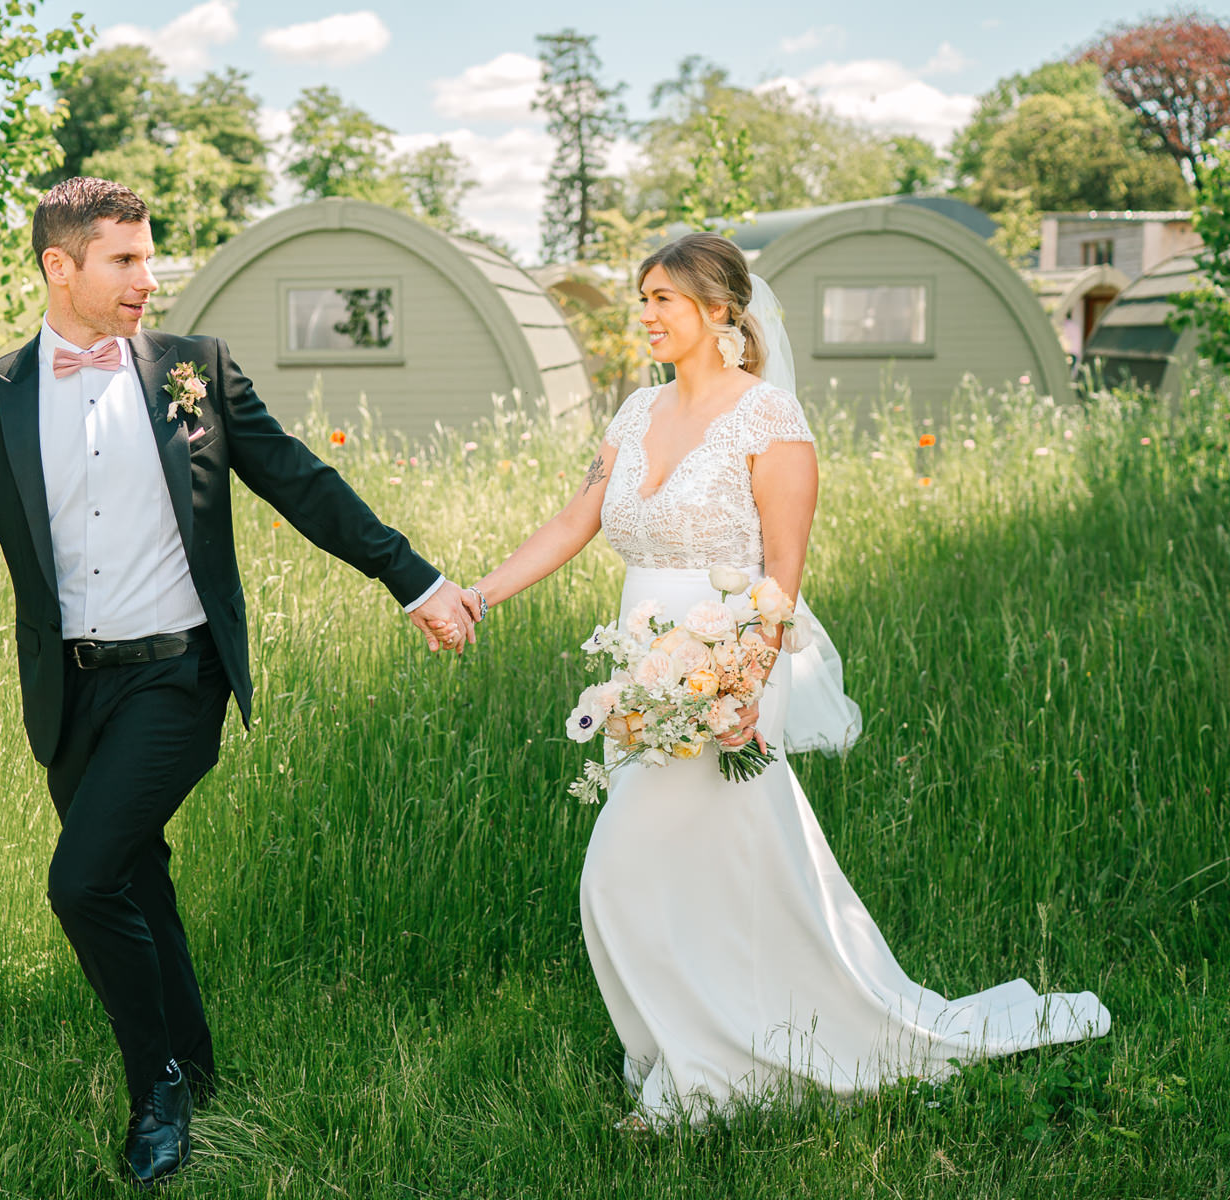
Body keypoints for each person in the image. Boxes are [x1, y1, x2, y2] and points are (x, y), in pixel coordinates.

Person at [0, 177, 478, 1186]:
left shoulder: (194, 371)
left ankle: (156, 1091)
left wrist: (413, 579)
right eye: (125, 260)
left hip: (177, 680)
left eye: (150, 258)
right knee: (134, 877)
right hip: (70, 696)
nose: (149, 279)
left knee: (81, 880)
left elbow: (299, 479)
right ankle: (193, 1057)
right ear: (60, 268)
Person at [446, 232, 1108, 1128]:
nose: (644, 316)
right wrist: (477, 595)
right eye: (642, 298)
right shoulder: (633, 418)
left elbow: (781, 578)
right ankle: (703, 1054)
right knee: (706, 871)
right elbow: (574, 522)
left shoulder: (772, 424)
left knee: (618, 869)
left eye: (662, 300)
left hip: (731, 663)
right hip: (640, 668)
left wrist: (741, 684)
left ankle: (706, 1075)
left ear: (721, 311)